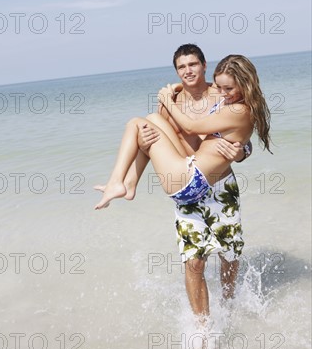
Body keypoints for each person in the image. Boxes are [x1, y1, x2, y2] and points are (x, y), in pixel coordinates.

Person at [94, 52, 272, 321]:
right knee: (147, 122)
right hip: (188, 176)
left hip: (214, 184)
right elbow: (161, 137)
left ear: (203, 66)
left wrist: (240, 152)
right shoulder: (174, 101)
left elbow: (239, 140)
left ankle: (229, 303)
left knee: (230, 254)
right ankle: (126, 183)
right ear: (176, 72)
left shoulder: (222, 98)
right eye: (181, 67)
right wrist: (164, 106)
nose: (188, 71)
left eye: (193, 65)